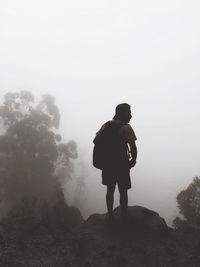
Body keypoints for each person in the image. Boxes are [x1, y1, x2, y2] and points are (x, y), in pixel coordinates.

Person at [96, 103, 137, 221]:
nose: (131, 115)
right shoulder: (126, 127)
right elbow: (133, 147)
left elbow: (96, 141)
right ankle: (124, 216)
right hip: (122, 164)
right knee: (123, 191)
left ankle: (110, 215)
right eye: (129, 112)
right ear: (122, 113)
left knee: (110, 190)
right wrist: (132, 161)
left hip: (108, 164)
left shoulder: (106, 125)